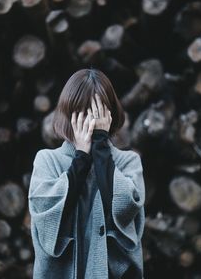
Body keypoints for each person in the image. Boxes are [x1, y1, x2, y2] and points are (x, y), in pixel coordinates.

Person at [28, 68, 146, 279]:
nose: (91, 122)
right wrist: (81, 157)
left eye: (98, 113)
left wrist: (101, 147)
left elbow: (125, 206)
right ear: (68, 115)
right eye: (84, 114)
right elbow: (47, 218)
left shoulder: (129, 162)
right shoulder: (47, 160)